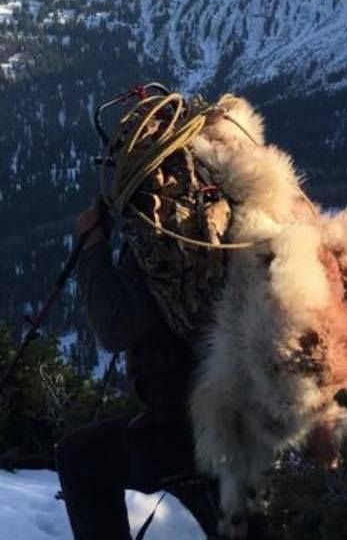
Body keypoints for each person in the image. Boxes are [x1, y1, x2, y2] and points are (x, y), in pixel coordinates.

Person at [55, 200, 224, 540]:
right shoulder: (236, 215)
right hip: (251, 420)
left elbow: (116, 328)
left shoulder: (157, 231)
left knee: (80, 459)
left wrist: (92, 246)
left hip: (187, 427)